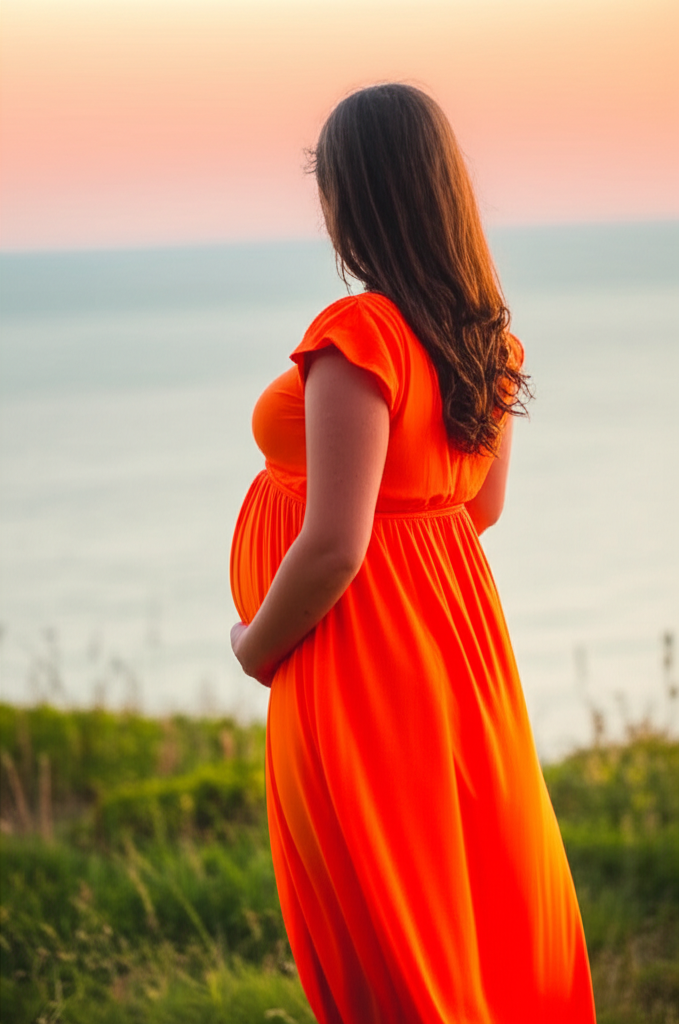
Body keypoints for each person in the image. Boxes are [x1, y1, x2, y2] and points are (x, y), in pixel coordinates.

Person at [230, 84, 595, 1024]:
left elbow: (333, 548)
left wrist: (255, 644)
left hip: (352, 663)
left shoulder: (358, 336)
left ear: (356, 195)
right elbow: (480, 510)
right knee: (468, 897)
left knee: (389, 926)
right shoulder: (485, 337)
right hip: (455, 655)